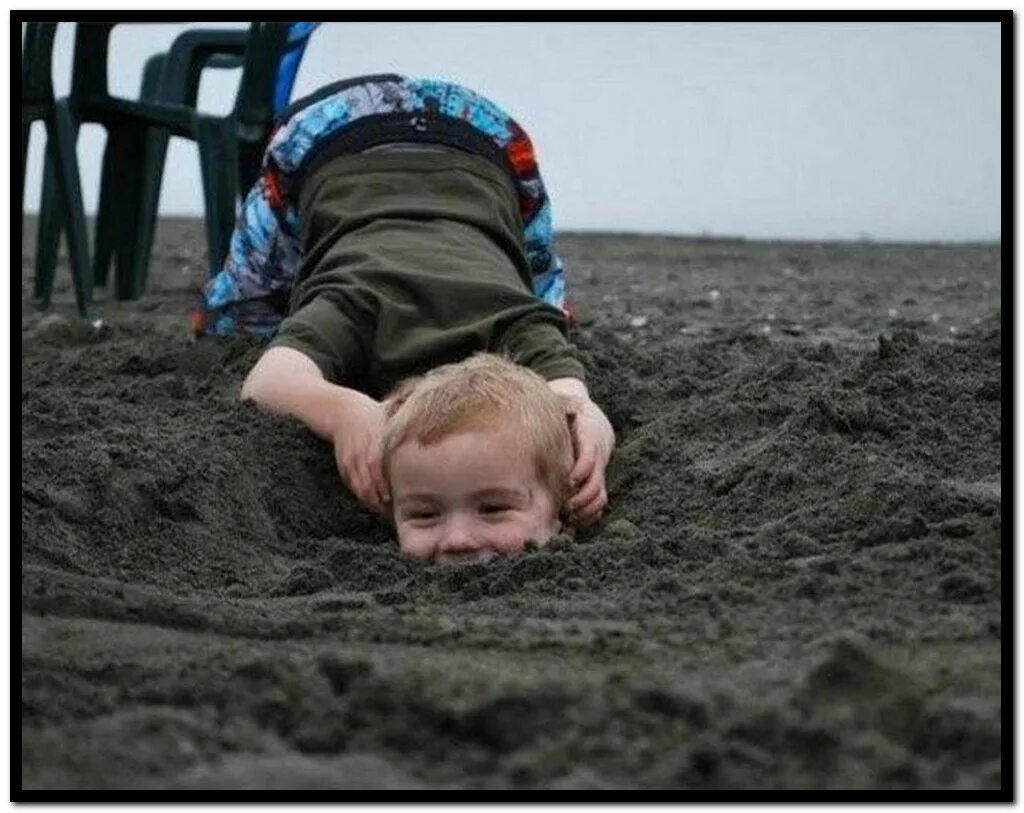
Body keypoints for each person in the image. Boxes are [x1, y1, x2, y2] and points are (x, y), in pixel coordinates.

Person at [190, 74, 615, 558]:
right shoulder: (357, 302)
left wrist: (588, 447)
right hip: (326, 137)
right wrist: (345, 412)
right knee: (238, 321)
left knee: (546, 300)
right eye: (426, 512)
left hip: (482, 146)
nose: (458, 543)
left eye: (493, 507)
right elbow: (264, 382)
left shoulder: (519, 319)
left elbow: (573, 408)